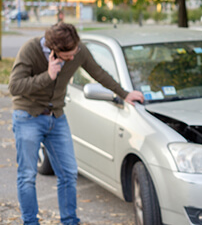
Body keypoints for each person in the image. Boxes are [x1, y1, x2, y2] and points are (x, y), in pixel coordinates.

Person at [9, 22, 144, 225]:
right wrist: (48, 76)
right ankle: (30, 222)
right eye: (68, 56)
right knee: (27, 176)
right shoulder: (30, 49)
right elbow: (15, 86)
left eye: (75, 52)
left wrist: (124, 94)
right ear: (54, 51)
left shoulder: (78, 50)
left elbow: (98, 73)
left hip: (56, 117)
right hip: (28, 117)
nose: (73, 58)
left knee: (69, 173)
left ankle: (70, 221)